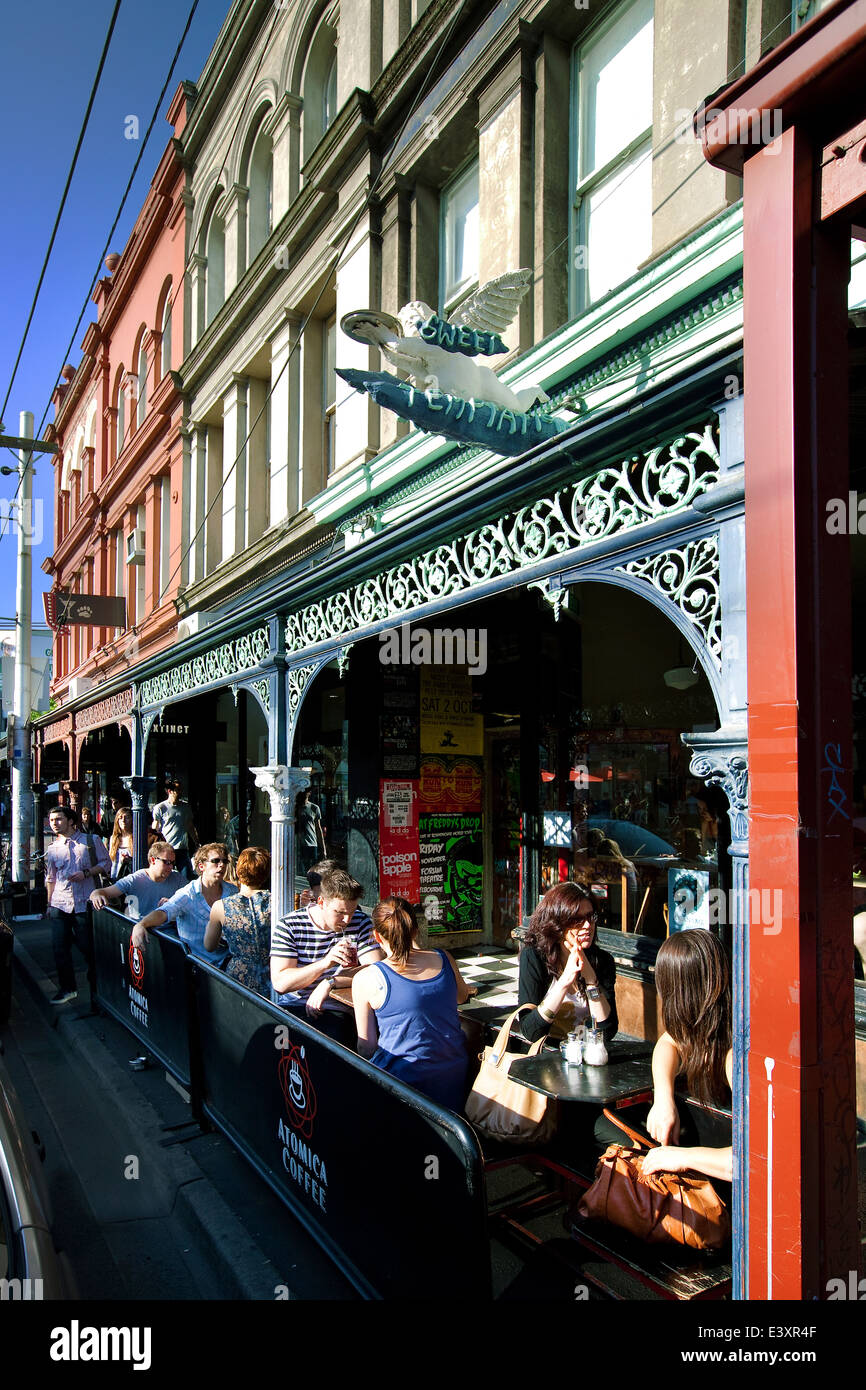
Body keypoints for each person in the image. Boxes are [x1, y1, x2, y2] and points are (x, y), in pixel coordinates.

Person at [352, 897, 471, 1110]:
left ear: (376, 936)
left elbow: (366, 1046)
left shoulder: (367, 978)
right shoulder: (445, 958)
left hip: (402, 1083)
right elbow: (461, 997)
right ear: (415, 931)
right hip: (453, 1076)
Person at [642, 929, 733, 1183]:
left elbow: (757, 1157)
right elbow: (668, 1042)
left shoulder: (735, 1057)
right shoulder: (708, 1031)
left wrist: (681, 1158)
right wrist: (663, 1098)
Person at [271, 866, 383, 1038]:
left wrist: (330, 982)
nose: (347, 920)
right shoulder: (290, 925)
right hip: (296, 1007)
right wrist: (325, 963)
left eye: (352, 912)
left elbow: (375, 971)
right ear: (321, 902)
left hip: (342, 1009)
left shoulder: (360, 922)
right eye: (340, 913)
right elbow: (280, 984)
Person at [517, 881, 618, 1043]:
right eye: (577, 919)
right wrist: (564, 981)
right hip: (546, 1055)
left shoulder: (603, 961)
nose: (587, 925)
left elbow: (608, 1031)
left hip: (588, 1054)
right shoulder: (534, 958)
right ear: (557, 923)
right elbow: (530, 1031)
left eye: (591, 917)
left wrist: (591, 981)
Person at [44, 805, 111, 1004]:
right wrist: (49, 904)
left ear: (71, 821)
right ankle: (67, 988)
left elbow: (106, 863)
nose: (54, 823)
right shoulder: (53, 848)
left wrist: (87, 873)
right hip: (60, 903)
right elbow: (50, 877)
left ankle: (97, 990)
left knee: (88, 948)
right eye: (52, 820)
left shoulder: (92, 841)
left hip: (85, 902)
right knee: (59, 947)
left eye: (58, 819)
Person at [131, 842, 237, 965]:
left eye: (225, 861)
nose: (221, 865)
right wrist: (141, 925)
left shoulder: (232, 892)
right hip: (201, 967)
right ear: (201, 866)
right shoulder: (188, 894)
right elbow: (163, 912)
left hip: (229, 960)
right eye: (215, 861)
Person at [204, 846, 271, 996]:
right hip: (271, 975)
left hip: (239, 976)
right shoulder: (278, 902)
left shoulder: (221, 906)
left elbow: (209, 945)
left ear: (237, 871)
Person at [89, 841, 183, 919]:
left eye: (172, 863)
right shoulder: (135, 879)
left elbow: (193, 901)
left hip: (170, 932)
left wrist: (173, 904)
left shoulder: (177, 878)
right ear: (153, 860)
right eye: (166, 862)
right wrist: (96, 895)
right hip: (142, 932)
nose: (171, 866)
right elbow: (100, 892)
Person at [151, 781, 198, 878]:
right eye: (177, 790)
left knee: (186, 877)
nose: (180, 792)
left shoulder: (185, 807)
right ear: (169, 791)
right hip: (166, 848)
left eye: (181, 790)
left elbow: (190, 826)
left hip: (182, 849)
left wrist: (196, 842)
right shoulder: (160, 808)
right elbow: (155, 826)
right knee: (166, 877)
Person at [295, 788, 325, 873]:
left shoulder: (314, 808)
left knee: (312, 871)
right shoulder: (294, 808)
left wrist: (323, 849)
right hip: (299, 844)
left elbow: (318, 829)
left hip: (311, 843)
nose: (304, 793)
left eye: (306, 791)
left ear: (309, 793)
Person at [109, 808, 135, 881]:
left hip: (130, 876)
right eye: (120, 818)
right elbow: (111, 860)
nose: (123, 820)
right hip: (115, 876)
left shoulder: (135, 837)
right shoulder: (114, 838)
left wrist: (129, 860)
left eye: (127, 817)